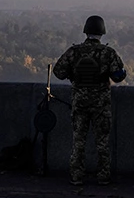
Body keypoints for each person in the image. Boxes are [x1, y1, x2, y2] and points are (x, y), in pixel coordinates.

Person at [52, 15, 126, 185]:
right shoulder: (108, 53)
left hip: (79, 102)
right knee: (102, 141)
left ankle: (77, 176)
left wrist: (74, 76)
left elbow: (58, 72)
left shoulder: (74, 52)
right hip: (101, 104)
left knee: (79, 140)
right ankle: (103, 176)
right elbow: (119, 76)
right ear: (102, 32)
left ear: (85, 31)